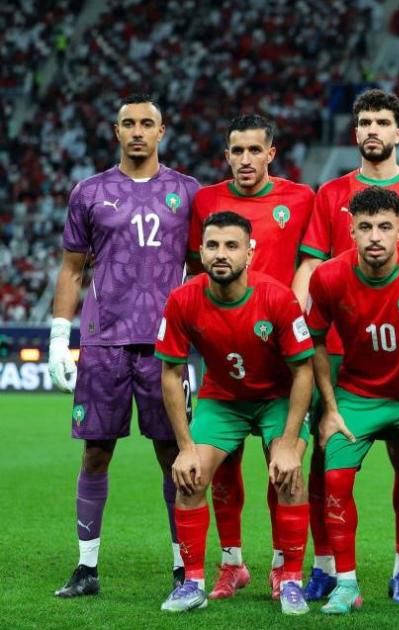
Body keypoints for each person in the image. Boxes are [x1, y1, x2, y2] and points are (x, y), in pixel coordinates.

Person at [291, 89, 399, 604]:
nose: (372, 130)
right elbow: (312, 265)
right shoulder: (331, 193)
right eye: (364, 122)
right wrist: (296, 329)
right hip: (343, 353)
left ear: (398, 132)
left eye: (382, 122)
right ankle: (328, 568)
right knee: (326, 463)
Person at [50, 93, 200, 598]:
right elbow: (72, 269)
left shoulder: (188, 191)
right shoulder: (89, 192)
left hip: (166, 345)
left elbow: (200, 268)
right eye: (128, 123)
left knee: (173, 453)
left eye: (146, 123)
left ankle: (185, 567)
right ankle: (86, 568)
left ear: (161, 132)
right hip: (103, 341)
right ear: (116, 132)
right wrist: (58, 337)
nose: (137, 131)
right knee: (95, 452)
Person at [155, 211, 314, 615]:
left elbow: (303, 371)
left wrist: (289, 443)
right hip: (222, 399)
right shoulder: (183, 299)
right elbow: (171, 373)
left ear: (250, 253)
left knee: (289, 476)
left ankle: (290, 579)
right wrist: (185, 447)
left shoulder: (278, 297)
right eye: (212, 245)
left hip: (276, 398)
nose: (221, 254)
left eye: (231, 246)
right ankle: (192, 583)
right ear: (201, 252)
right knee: (190, 478)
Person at [305, 186, 399, 617]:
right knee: (335, 479)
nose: (374, 236)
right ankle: (346, 585)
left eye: (385, 227)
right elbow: (314, 340)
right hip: (356, 397)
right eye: (365, 227)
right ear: (350, 230)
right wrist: (330, 409)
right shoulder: (328, 277)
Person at [187, 113, 315, 601]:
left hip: (282, 354)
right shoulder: (206, 200)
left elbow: (311, 259)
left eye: (254, 150)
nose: (245, 159)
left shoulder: (300, 198)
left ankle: (284, 568)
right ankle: (232, 563)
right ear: (226, 155)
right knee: (222, 468)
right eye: (236, 151)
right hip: (225, 353)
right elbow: (195, 263)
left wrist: (293, 306)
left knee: (282, 465)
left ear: (270, 154)